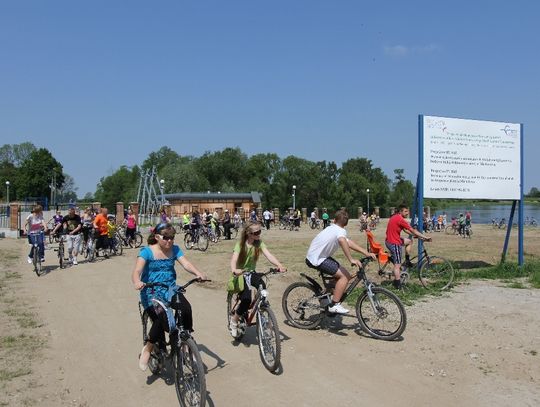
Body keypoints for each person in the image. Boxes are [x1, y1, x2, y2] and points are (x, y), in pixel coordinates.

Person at [132, 223, 207, 371]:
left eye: (172, 237)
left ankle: (186, 340)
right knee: (162, 320)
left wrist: (198, 273)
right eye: (166, 238)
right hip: (151, 291)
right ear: (157, 237)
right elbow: (137, 271)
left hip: (170, 288)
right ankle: (147, 348)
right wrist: (137, 281)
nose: (169, 241)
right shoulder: (146, 252)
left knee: (185, 308)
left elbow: (186, 264)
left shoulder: (175, 250)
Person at [305, 210, 376, 314]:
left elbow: (348, 242)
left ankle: (327, 294)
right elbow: (342, 241)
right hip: (317, 259)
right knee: (345, 277)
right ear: (346, 224)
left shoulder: (332, 227)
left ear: (334, 220)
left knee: (342, 273)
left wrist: (365, 252)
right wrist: (351, 259)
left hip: (318, 256)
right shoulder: (340, 231)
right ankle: (334, 305)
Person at [229, 222, 286, 337]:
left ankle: (261, 308)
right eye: (256, 232)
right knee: (246, 299)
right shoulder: (240, 245)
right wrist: (234, 269)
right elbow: (233, 259)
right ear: (248, 234)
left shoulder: (259, 243)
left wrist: (279, 265)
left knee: (262, 286)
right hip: (240, 274)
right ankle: (234, 321)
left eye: (260, 231)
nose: (259, 234)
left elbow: (269, 255)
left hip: (251, 273)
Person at [385, 205, 431, 289]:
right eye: (405, 211)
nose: (407, 213)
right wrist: (425, 237)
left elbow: (405, 230)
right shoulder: (400, 219)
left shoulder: (395, 217)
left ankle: (407, 260)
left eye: (408, 211)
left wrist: (418, 236)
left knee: (409, 241)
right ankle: (398, 285)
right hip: (394, 243)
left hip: (389, 240)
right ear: (400, 211)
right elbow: (412, 230)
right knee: (397, 266)